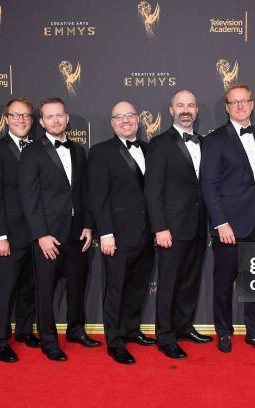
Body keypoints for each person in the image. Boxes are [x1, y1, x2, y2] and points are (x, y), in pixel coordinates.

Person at [19, 97, 98, 362]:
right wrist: (41, 234)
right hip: (48, 236)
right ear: (41, 122)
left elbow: (86, 192)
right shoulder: (31, 152)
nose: (55, 120)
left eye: (59, 115)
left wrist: (88, 225)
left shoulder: (78, 150)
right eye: (49, 117)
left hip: (77, 234)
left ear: (66, 118)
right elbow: (29, 198)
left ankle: (76, 331)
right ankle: (49, 341)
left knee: (77, 287)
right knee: (45, 292)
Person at [200, 83, 255, 354]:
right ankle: (224, 332)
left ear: (252, 104)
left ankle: (254, 334)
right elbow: (209, 185)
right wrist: (220, 223)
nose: (240, 106)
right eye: (234, 102)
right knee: (223, 285)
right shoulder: (215, 140)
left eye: (245, 101)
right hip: (228, 226)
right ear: (227, 107)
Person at [144, 90, 212, 360]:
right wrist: (160, 227)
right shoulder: (160, 144)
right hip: (171, 228)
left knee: (190, 281)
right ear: (171, 111)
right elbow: (152, 190)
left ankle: (184, 327)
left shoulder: (206, 143)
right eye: (180, 105)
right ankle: (166, 336)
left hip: (198, 226)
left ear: (196, 110)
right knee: (169, 283)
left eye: (191, 105)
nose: (186, 110)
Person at [88, 101, 156, 365]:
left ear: (138, 119)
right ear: (112, 122)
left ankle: (131, 330)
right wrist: (105, 233)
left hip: (146, 233)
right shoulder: (100, 152)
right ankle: (114, 342)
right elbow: (99, 197)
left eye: (130, 116)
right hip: (116, 235)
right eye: (119, 117)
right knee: (115, 290)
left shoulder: (150, 150)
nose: (125, 121)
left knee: (137, 287)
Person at [0, 97, 40, 362]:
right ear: (6, 119)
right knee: (6, 288)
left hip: (37, 233)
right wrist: (0, 235)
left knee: (29, 286)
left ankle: (25, 330)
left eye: (26, 115)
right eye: (16, 115)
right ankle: (0, 340)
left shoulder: (39, 148)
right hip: (9, 234)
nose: (21, 120)